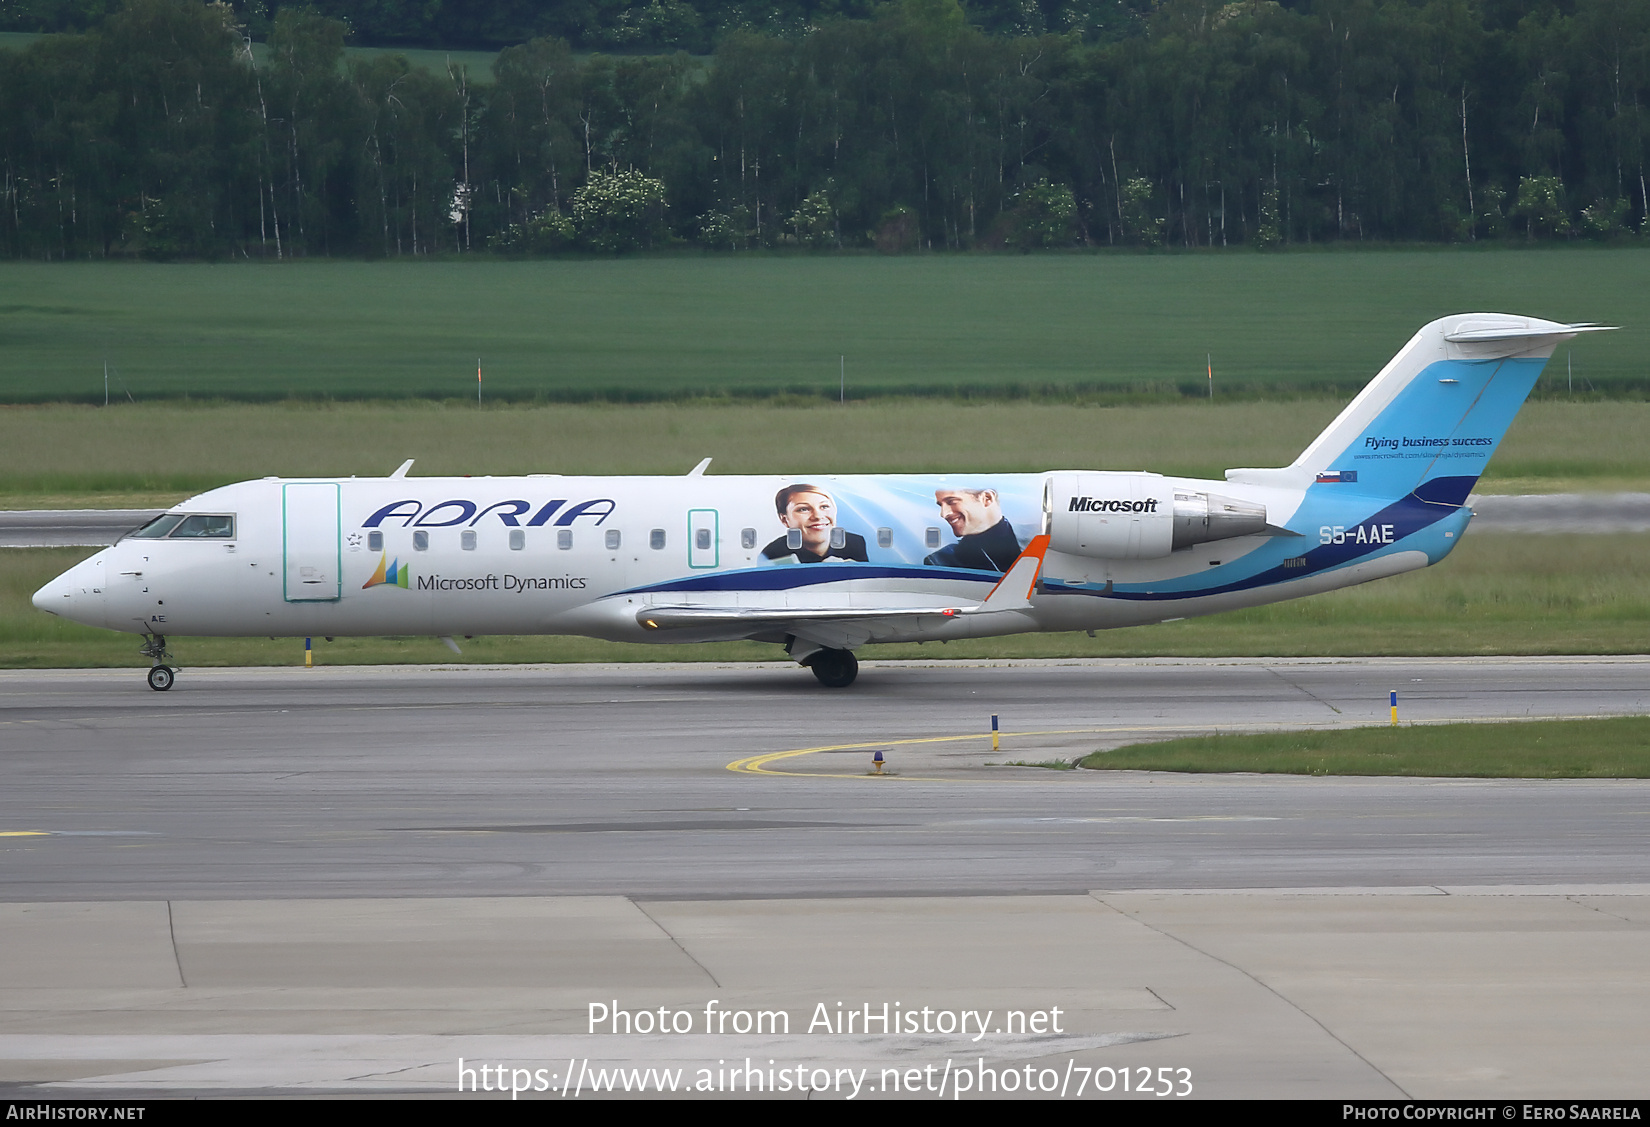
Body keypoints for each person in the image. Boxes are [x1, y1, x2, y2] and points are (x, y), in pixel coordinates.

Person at [761, 484, 868, 563]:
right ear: (785, 520)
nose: (817, 516)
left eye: (824, 507)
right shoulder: (774, 554)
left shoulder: (855, 543)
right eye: (803, 509)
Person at [924, 486, 1020, 571]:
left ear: (987, 498)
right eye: (941, 505)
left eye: (952, 502)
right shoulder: (941, 561)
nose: (943, 514)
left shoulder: (1033, 535)